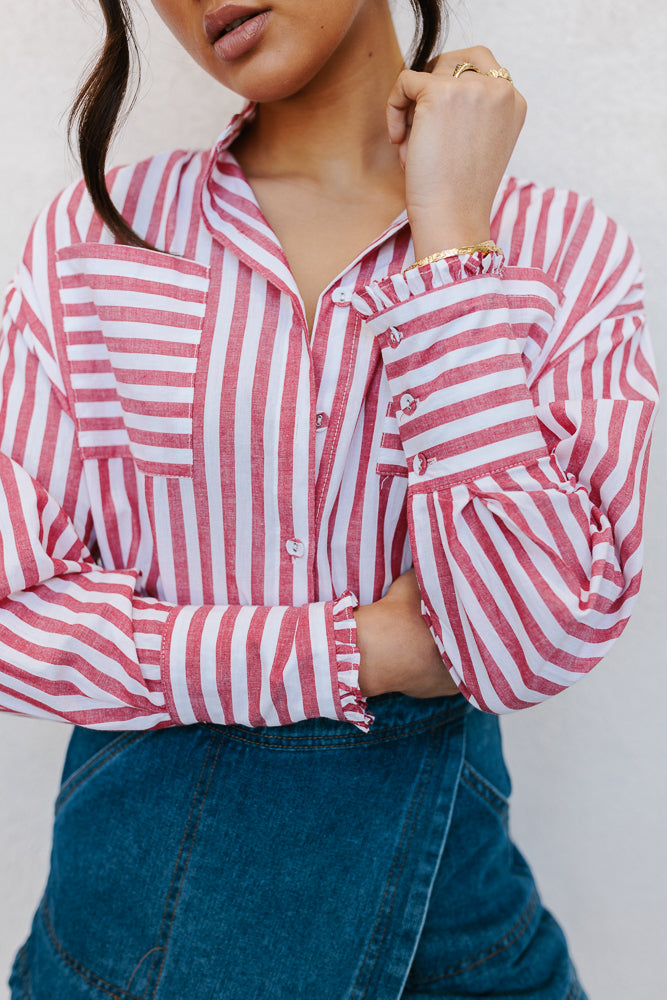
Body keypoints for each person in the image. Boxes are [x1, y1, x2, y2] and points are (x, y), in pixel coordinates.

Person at [2, 0, 657, 997]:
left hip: (453, 945)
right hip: (138, 948)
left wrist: (448, 244)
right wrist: (358, 652)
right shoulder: (96, 245)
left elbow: (525, 644)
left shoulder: (559, 253)